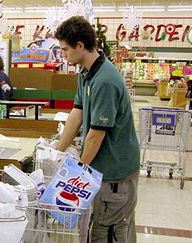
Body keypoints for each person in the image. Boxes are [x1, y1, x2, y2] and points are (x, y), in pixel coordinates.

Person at [54, 16, 140, 243]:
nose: (63, 55)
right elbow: (77, 113)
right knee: (101, 228)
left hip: (115, 174)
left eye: (65, 50)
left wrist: (77, 173)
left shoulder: (105, 80)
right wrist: (58, 151)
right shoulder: (86, 73)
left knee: (109, 232)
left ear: (80, 46)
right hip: (102, 170)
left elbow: (95, 136)